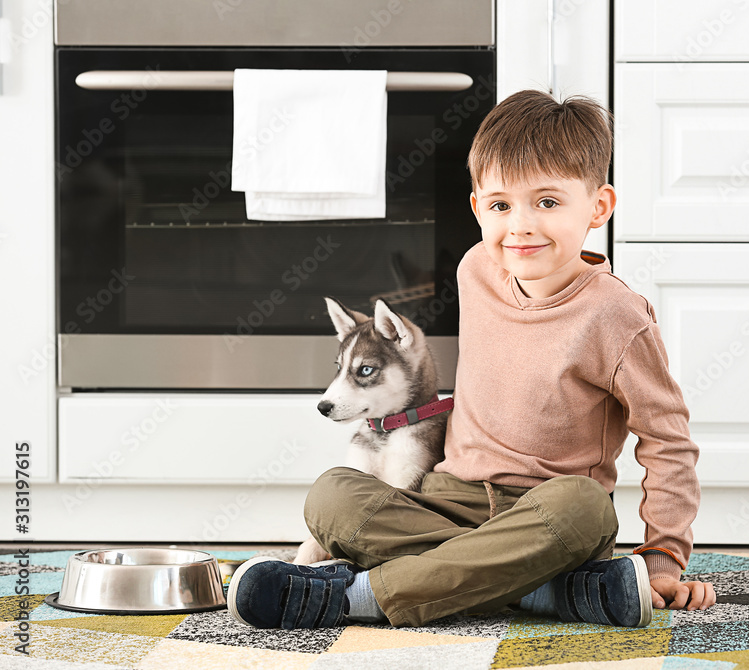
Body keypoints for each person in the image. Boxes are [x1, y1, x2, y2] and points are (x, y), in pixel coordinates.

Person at [227, 89, 716, 630]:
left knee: (585, 507)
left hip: (545, 514)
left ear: (598, 207)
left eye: (548, 203)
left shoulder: (618, 317)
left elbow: (668, 438)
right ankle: (545, 591)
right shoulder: (475, 269)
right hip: (449, 499)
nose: (521, 225)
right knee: (332, 496)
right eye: (501, 205)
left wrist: (663, 557)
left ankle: (355, 598)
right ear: (478, 207)